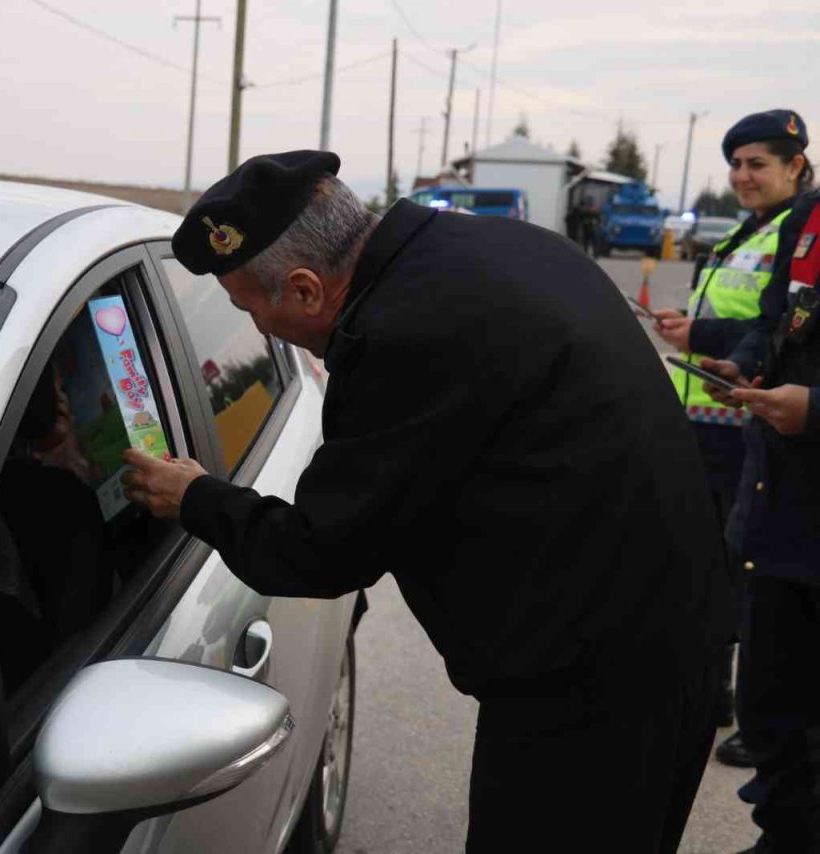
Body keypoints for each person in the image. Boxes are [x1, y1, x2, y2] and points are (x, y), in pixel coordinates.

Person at [120, 150, 733, 852]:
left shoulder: (404, 335)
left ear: (306, 289)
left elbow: (320, 551)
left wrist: (195, 497)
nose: (258, 330)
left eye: (249, 307)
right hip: (662, 635)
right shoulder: (493, 248)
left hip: (596, 693)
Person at [650, 110, 811, 765]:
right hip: (710, 413)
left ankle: (757, 710)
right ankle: (714, 694)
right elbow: (751, 320)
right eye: (736, 165)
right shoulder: (752, 228)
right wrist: (695, 331)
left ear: (796, 166)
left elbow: (783, 328)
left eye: (756, 164)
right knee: (706, 564)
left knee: (748, 574)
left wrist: (702, 335)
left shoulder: (798, 233)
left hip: (753, 427)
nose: (741, 176)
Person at [701, 178, 820, 853]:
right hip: (780, 503)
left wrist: (816, 410)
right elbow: (779, 320)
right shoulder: (811, 217)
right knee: (772, 705)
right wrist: (744, 365)